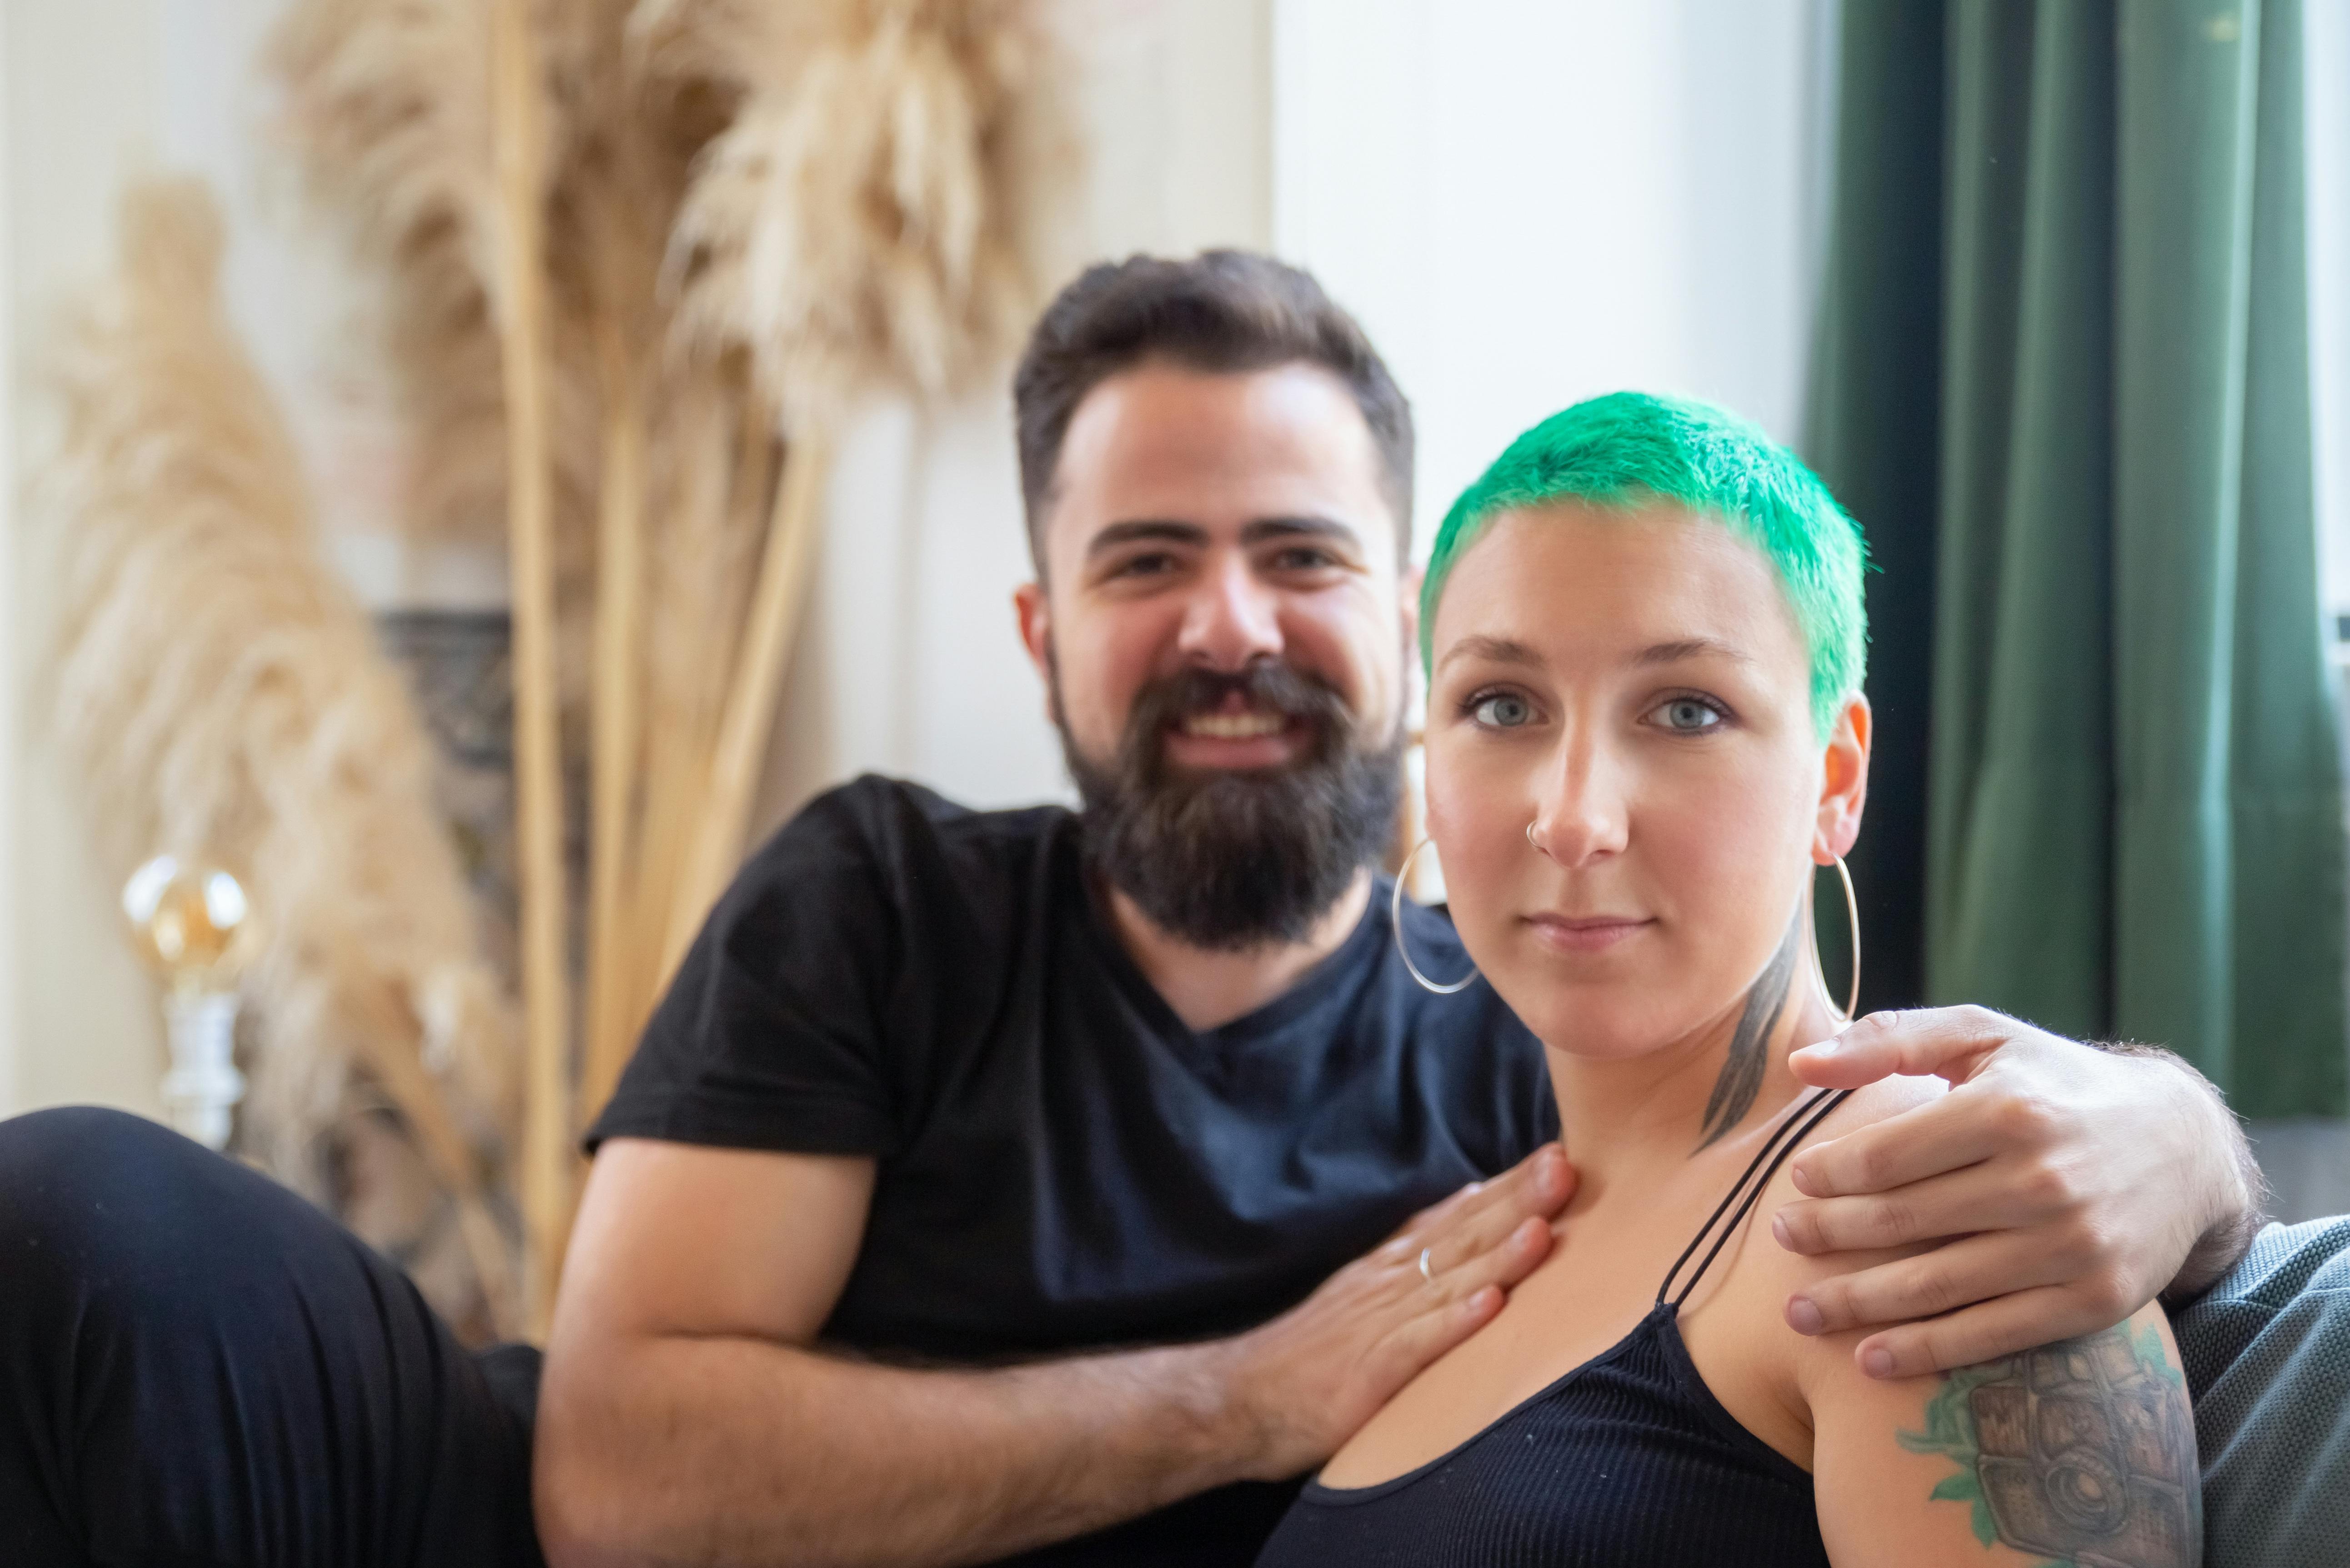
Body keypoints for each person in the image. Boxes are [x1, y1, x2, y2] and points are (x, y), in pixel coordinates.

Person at [0, 254, 2257, 1568]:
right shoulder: (879, 892)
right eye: (1144, 563)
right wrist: (1237, 1399)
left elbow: (1858, 1120)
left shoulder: (1552, 1029)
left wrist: (2191, 1143)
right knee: (91, 1210)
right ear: (1038, 627)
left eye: (1297, 555)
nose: (1228, 626)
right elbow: (608, 1465)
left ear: (1388, 615)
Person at [1254, 391, 2197, 1567]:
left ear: (1835, 778)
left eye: (1686, 709)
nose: (1573, 818)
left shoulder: (1920, 1212)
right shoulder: (1470, 1230)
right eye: (1500, 704)